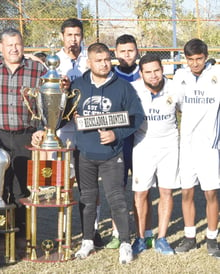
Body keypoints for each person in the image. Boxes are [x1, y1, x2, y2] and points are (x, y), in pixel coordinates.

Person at [67, 42, 144, 264]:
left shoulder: (123, 86)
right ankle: (87, 240)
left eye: (107, 60)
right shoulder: (78, 85)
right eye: (99, 60)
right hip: (84, 153)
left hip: (112, 154)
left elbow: (137, 117)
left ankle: (125, 243)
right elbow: (64, 114)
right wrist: (67, 115)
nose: (104, 64)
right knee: (88, 199)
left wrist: (116, 134)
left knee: (117, 199)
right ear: (89, 62)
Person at [0, 28, 47, 239]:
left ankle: (20, 233)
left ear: (23, 45)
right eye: (9, 45)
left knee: (21, 188)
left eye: (17, 44)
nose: (13, 49)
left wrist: (41, 129)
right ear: (0, 47)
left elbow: (48, 104)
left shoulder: (37, 70)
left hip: (24, 135)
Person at [55, 18, 104, 248]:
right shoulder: (54, 61)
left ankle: (92, 230)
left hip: (89, 128)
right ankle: (64, 231)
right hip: (65, 128)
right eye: (69, 35)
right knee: (65, 182)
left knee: (90, 183)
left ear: (82, 36)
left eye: (77, 35)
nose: (73, 39)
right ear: (62, 36)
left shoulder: (91, 58)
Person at [173, 38, 220, 258]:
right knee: (186, 192)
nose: (194, 63)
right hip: (187, 145)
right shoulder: (180, 76)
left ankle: (212, 238)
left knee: (210, 192)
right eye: (190, 59)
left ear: (205, 56)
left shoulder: (217, 74)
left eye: (199, 59)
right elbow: (176, 105)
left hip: (209, 145)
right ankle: (190, 236)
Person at [130, 54, 181, 256]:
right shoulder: (133, 89)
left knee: (166, 192)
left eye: (157, 71)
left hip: (169, 145)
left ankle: (161, 238)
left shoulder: (175, 88)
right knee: (141, 192)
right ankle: (141, 237)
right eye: (148, 72)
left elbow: (186, 112)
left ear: (163, 70)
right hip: (143, 144)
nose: (153, 76)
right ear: (141, 73)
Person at [106, 34, 151, 249]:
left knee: (143, 188)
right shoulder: (109, 75)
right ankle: (117, 232)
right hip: (118, 140)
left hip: (142, 139)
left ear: (137, 51)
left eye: (130, 51)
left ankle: (145, 231)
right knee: (118, 187)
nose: (126, 55)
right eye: (122, 51)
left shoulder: (144, 74)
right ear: (115, 53)